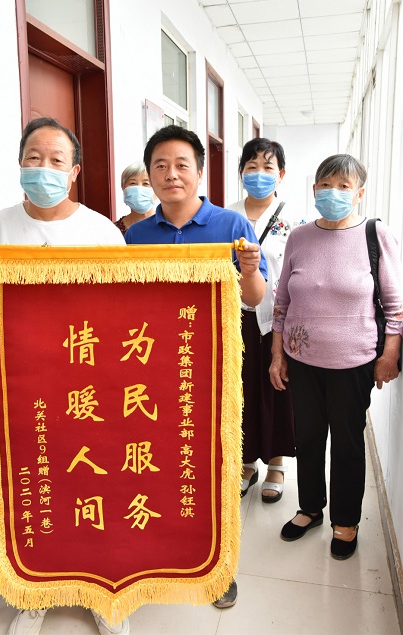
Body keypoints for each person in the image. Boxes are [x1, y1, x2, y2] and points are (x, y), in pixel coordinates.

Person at [0, 117, 128, 635]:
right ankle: (37, 591)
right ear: (20, 164)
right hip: (24, 383)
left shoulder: (102, 232)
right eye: (33, 158)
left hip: (89, 382)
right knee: (37, 483)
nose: (43, 168)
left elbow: (124, 309)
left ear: (74, 172)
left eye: (55, 160)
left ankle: (101, 590)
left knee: (96, 482)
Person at [125, 124, 268, 609]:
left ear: (200, 172)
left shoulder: (231, 226)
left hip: (214, 369)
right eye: (160, 166)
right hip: (152, 368)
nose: (171, 175)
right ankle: (165, 554)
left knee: (215, 466)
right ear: (149, 175)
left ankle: (218, 568)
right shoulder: (137, 235)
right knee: (162, 465)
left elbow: (255, 298)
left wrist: (249, 270)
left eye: (181, 165)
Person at [269, 154, 403, 561]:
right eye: (325, 185)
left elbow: (395, 305)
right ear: (314, 190)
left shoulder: (374, 234)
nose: (333, 193)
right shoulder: (299, 237)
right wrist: (277, 354)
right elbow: (282, 301)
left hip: (353, 363)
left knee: (346, 443)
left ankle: (346, 521)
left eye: (344, 186)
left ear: (359, 193)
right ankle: (310, 508)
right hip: (302, 360)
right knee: (308, 438)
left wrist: (389, 355)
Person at [227, 138, 306, 502]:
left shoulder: (296, 223)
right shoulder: (227, 217)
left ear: (281, 174)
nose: (259, 174)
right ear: (241, 172)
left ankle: (276, 463)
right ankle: (246, 462)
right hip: (235, 318)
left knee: (277, 388)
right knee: (239, 390)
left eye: (268, 167)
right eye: (251, 166)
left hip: (278, 320)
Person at [114, 161, 156, 235]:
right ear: (123, 188)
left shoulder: (168, 227)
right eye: (133, 183)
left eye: (146, 183)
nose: (138, 189)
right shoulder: (114, 231)